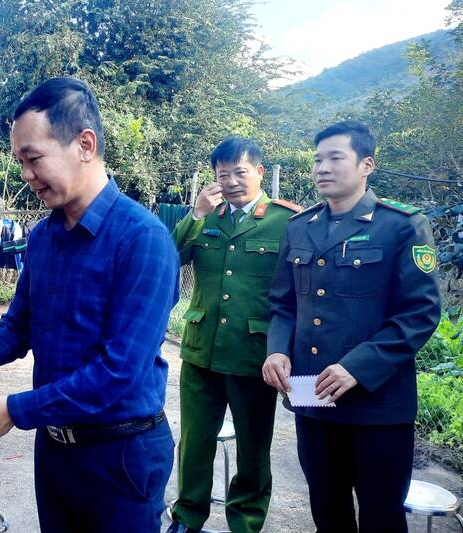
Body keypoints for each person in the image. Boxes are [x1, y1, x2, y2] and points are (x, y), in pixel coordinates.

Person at [0, 77, 180, 532]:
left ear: (85, 144)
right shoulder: (44, 237)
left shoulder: (142, 239)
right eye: (20, 161)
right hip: (56, 452)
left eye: (33, 158)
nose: (26, 175)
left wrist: (17, 410)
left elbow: (119, 371)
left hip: (120, 456)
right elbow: (17, 329)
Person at [262, 120, 441, 533]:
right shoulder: (299, 226)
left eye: (335, 158)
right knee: (328, 510)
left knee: (381, 515)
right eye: (317, 159)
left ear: (367, 164)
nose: (322, 167)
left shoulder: (401, 225)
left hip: (378, 406)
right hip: (314, 399)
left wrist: (357, 367)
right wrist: (276, 349)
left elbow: (419, 313)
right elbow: (283, 304)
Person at [167, 137, 301, 533]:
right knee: (193, 445)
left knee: (253, 448)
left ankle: (245, 523)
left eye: (240, 172)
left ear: (259, 172)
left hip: (254, 356)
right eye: (223, 174)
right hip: (200, 352)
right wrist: (196, 215)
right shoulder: (206, 215)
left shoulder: (286, 221)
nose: (231, 181)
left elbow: (296, 293)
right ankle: (187, 519)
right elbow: (165, 259)